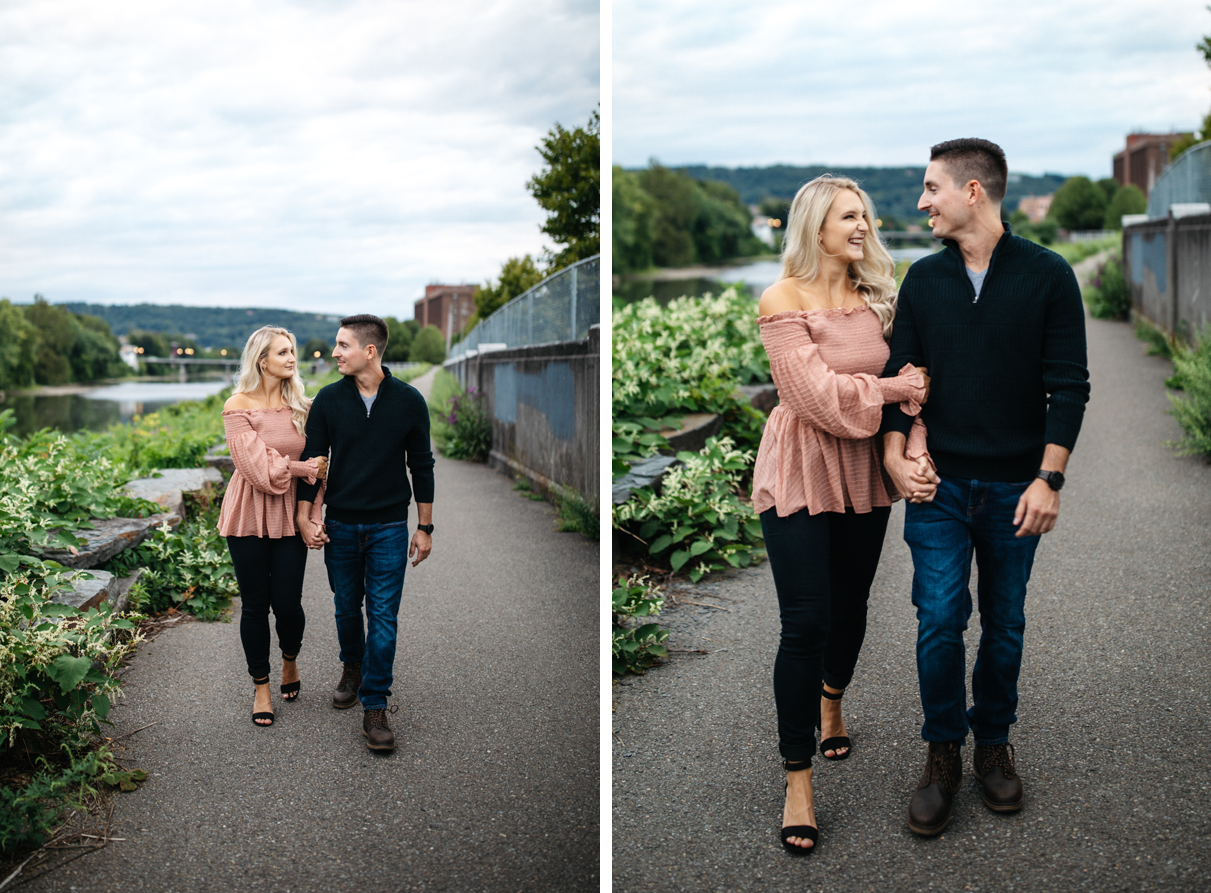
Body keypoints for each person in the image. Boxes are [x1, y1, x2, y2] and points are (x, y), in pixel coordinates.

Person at [880, 138, 1090, 836]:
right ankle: (942, 752)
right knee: (938, 619)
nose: (920, 202)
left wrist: (1048, 478)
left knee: (1004, 623)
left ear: (973, 191)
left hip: (1012, 490)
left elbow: (1069, 386)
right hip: (936, 488)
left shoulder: (1047, 276)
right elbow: (897, 385)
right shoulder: (920, 281)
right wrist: (892, 461)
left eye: (930, 187)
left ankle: (992, 743)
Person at [753, 174, 936, 854]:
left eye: (863, 215)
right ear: (815, 227)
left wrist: (912, 439)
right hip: (800, 467)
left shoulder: (877, 302)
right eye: (847, 216)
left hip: (861, 468)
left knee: (851, 603)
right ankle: (796, 778)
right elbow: (815, 397)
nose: (862, 226)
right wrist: (894, 384)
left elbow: (916, 397)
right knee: (805, 620)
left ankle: (831, 697)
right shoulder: (782, 298)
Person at [295, 314, 434, 753]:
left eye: (342, 345)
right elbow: (313, 465)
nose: (333, 353)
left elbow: (422, 466)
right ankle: (351, 666)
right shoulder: (328, 401)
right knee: (345, 609)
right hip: (340, 525)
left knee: (385, 617)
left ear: (369, 351)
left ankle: (375, 706)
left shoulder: (409, 401)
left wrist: (424, 527)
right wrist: (305, 518)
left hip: (390, 527)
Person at [218, 326, 327, 727]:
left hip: (289, 516)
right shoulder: (237, 405)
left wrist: (313, 515)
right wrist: (303, 468)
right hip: (247, 514)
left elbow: (324, 468)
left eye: (293, 351)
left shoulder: (303, 405)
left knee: (287, 604)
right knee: (254, 606)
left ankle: (290, 660)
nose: (292, 358)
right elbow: (258, 470)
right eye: (283, 352)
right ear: (261, 360)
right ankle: (261, 686)